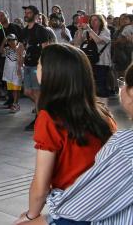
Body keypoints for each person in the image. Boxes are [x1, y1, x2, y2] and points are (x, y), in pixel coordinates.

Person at [12, 44, 115, 224]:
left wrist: (30, 215)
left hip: (76, 208)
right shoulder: (102, 114)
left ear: (51, 74)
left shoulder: (50, 118)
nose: (37, 68)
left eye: (39, 64)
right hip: (106, 203)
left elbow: (41, 185)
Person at [38, 64, 133, 225]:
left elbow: (76, 209)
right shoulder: (103, 113)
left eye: (123, 82)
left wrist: (33, 216)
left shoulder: (125, 147)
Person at [20, 5, 53, 131]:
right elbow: (21, 47)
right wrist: (19, 64)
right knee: (28, 92)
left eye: (29, 13)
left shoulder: (41, 30)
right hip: (27, 64)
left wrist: (43, 65)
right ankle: (45, 109)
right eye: (26, 12)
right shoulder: (24, 30)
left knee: (37, 92)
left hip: (37, 65)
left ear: (35, 15)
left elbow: (46, 48)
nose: (26, 14)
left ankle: (39, 119)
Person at [73, 14, 111, 104]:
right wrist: (79, 30)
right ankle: (95, 107)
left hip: (102, 62)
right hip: (89, 62)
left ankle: (104, 108)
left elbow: (98, 41)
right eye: (91, 20)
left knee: (101, 87)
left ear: (101, 21)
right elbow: (77, 43)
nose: (93, 22)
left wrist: (89, 29)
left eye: (95, 20)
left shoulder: (105, 31)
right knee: (90, 86)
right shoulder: (87, 32)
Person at [2, 34, 23, 112]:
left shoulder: (20, 48)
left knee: (16, 89)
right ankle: (15, 104)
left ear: (16, 40)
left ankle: (15, 104)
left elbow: (22, 59)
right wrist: (3, 42)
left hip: (17, 72)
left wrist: (20, 69)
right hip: (9, 73)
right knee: (12, 89)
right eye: (9, 40)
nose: (11, 42)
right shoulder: (7, 49)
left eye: (12, 40)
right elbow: (0, 51)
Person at [111, 13, 133, 79]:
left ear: (130, 21)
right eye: (121, 19)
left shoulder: (131, 29)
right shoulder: (116, 31)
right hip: (118, 59)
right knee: (119, 81)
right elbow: (113, 43)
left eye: (125, 19)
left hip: (129, 60)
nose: (123, 20)